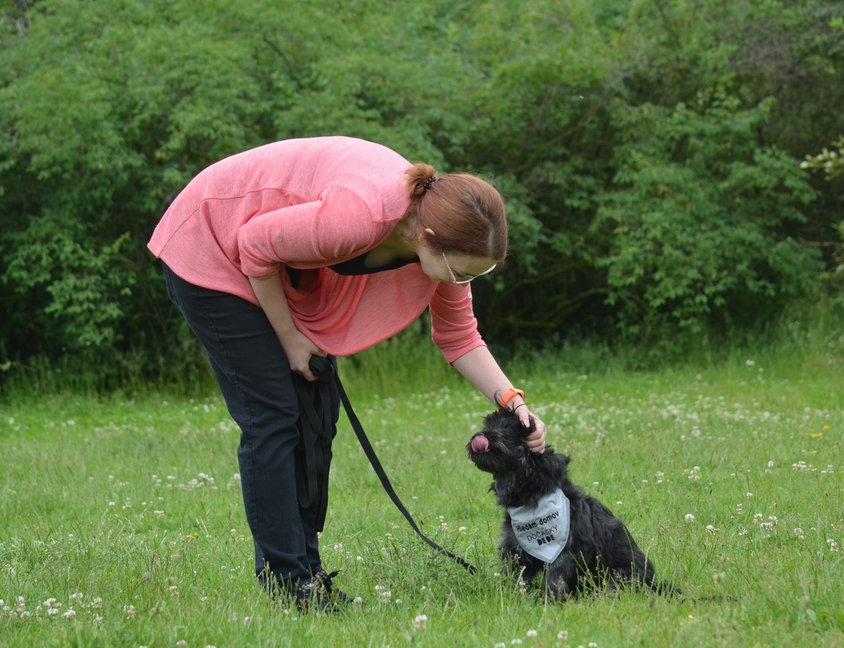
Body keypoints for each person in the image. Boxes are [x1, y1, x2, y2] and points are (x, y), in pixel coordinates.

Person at [147, 136, 546, 612]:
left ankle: (308, 575)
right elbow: (252, 243)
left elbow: (459, 337)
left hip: (271, 265)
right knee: (273, 415)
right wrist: (292, 339)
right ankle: (287, 584)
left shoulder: (434, 235)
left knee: (316, 413)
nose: (464, 285)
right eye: (463, 275)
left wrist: (513, 402)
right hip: (213, 243)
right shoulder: (362, 216)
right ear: (429, 240)